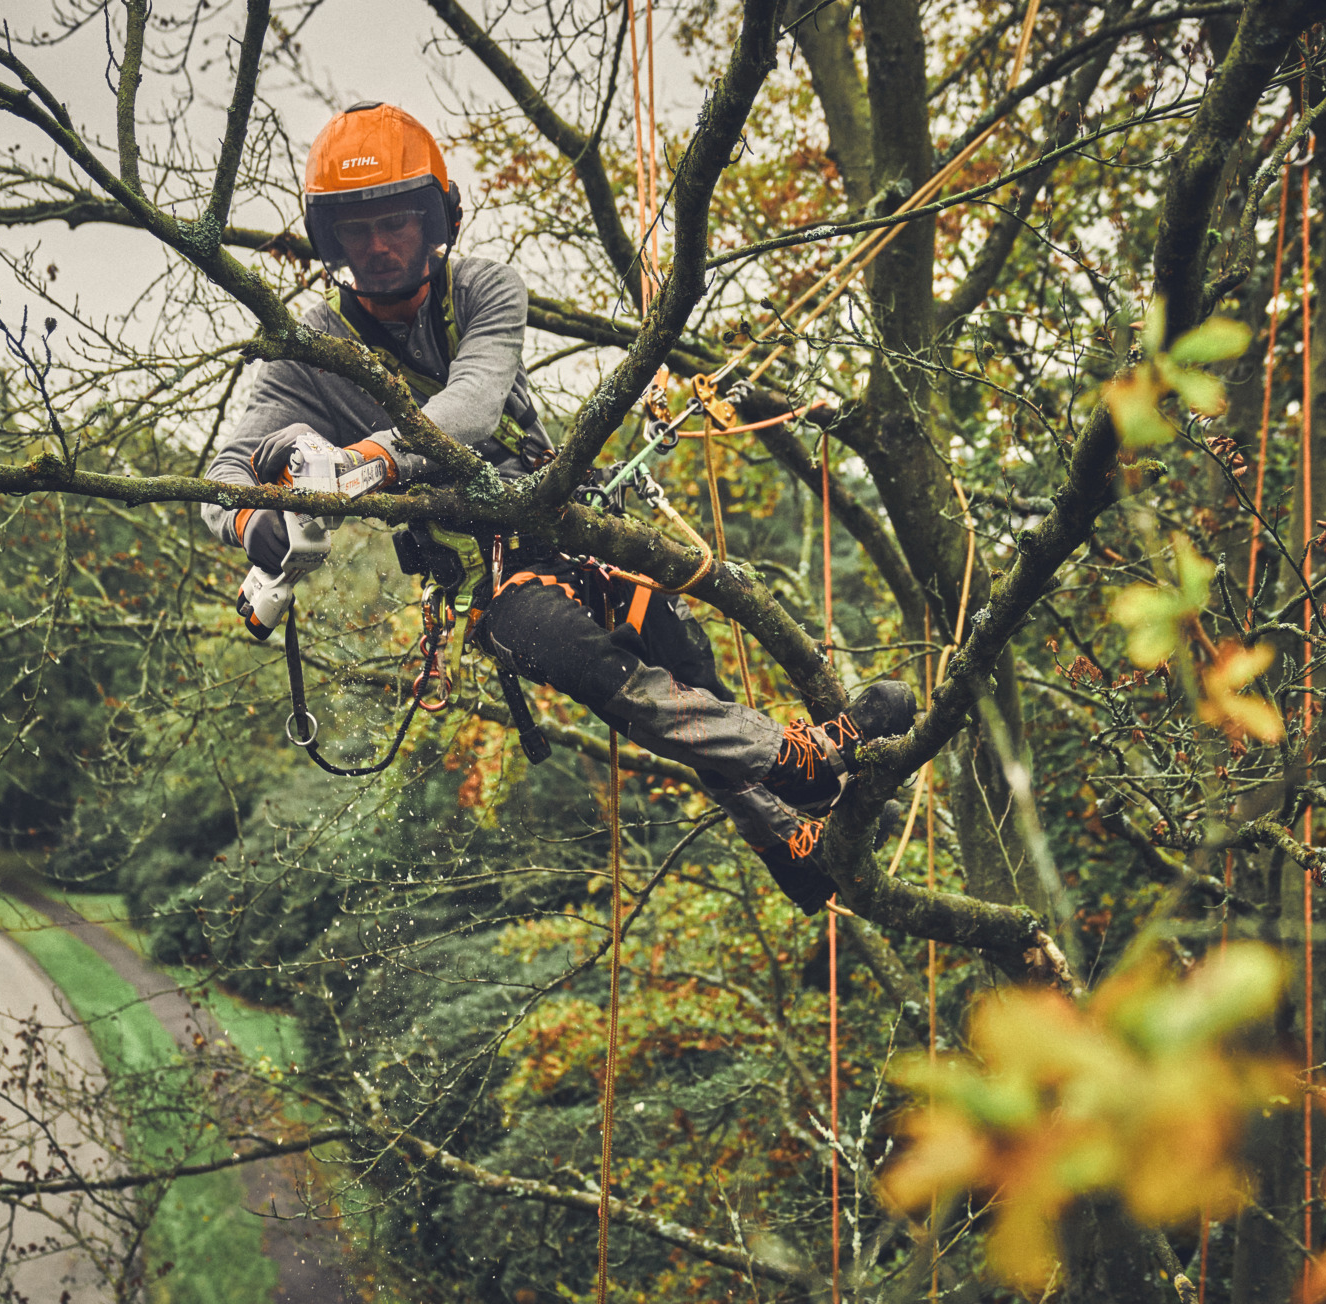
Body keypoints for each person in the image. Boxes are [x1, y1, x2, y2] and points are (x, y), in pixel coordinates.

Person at [202, 102, 915, 913]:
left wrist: (362, 463)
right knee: (579, 655)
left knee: (686, 667)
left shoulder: (482, 290)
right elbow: (224, 475)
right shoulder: (313, 348)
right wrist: (266, 526)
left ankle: (786, 837)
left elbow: (472, 403)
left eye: (396, 221)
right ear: (329, 240)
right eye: (356, 229)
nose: (379, 244)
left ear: (436, 219)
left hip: (567, 522)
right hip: (494, 575)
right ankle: (805, 762)